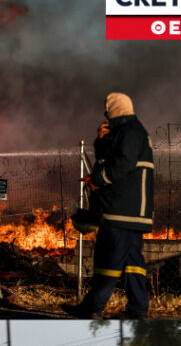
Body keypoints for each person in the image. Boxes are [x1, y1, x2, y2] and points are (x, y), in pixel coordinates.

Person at [63, 92, 153, 319]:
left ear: (114, 111)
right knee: (133, 264)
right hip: (131, 213)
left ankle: (91, 307)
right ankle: (138, 308)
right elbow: (110, 158)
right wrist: (101, 141)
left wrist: (98, 179)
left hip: (120, 210)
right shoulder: (127, 132)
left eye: (107, 113)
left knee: (107, 261)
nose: (105, 117)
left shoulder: (130, 131)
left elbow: (122, 163)